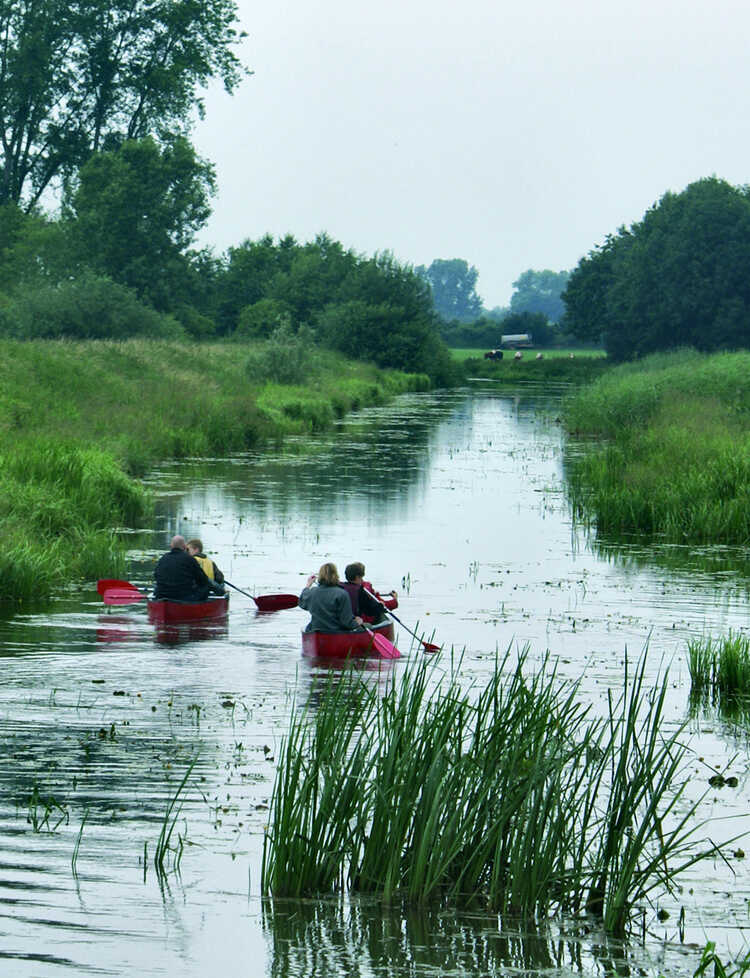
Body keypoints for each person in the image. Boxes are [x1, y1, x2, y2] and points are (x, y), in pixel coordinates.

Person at [299, 562, 363, 633]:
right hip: (336, 633)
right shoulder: (342, 594)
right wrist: (357, 622)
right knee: (367, 626)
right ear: (335, 575)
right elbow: (347, 622)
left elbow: (302, 602)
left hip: (316, 631)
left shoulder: (312, 592)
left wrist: (308, 585)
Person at [153, 535, 213, 602]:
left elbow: (156, 576)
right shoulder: (190, 559)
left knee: (157, 587)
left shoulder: (162, 559)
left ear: (171, 546)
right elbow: (203, 580)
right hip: (184, 598)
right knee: (206, 587)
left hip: (162, 596)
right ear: (184, 547)